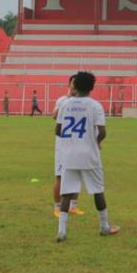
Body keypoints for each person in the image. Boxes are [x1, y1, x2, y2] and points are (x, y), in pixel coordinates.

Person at [55, 71, 119, 242]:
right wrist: (95, 142)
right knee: (97, 190)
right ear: (92, 87)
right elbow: (102, 132)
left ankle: (61, 230)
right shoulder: (94, 106)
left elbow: (58, 130)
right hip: (89, 154)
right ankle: (104, 226)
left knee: (66, 193)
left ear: (74, 86)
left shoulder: (65, 105)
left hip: (68, 155)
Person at [52, 76, 84, 219]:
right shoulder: (62, 100)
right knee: (60, 177)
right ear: (69, 85)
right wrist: (67, 101)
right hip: (63, 146)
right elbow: (54, 116)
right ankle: (57, 207)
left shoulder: (83, 102)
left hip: (77, 144)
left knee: (77, 175)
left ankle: (73, 206)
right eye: (73, 84)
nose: (74, 87)